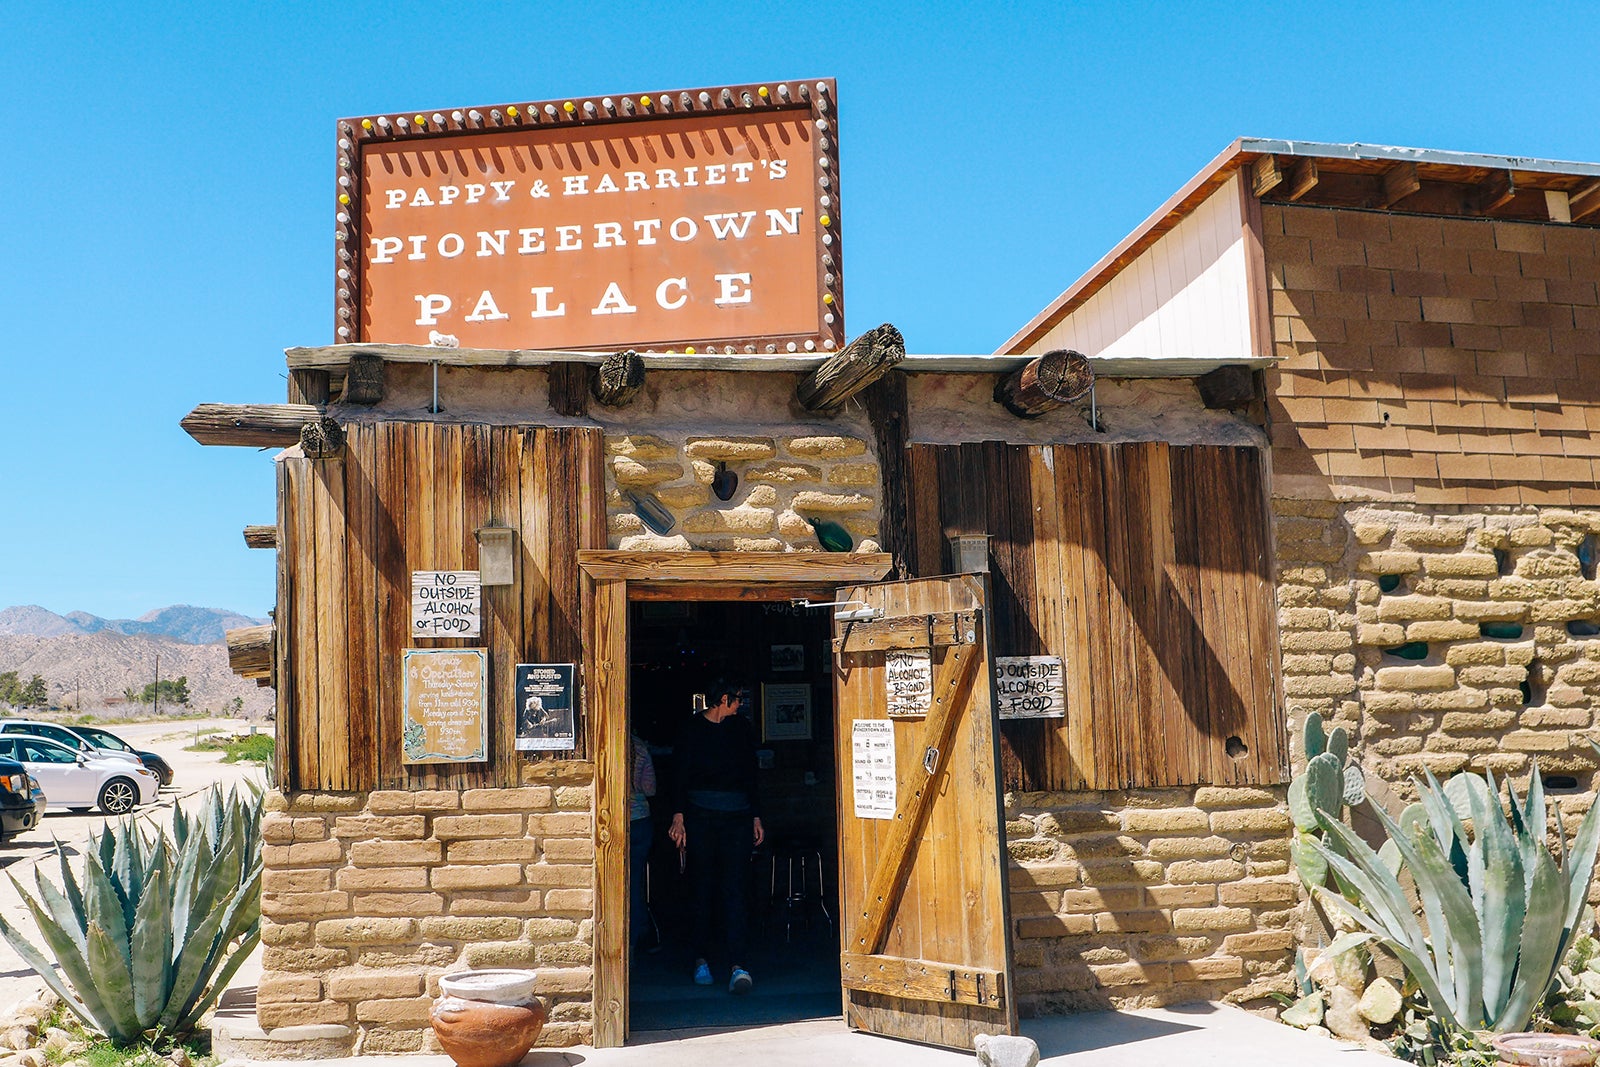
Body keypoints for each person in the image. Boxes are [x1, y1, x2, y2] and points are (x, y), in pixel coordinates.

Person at [668, 679, 764, 995]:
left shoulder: (742, 729)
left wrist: (755, 816)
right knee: (702, 886)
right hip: (700, 815)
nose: (740, 705)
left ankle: (739, 964)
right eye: (737, 699)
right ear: (723, 699)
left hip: (736, 816)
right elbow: (679, 772)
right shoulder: (691, 729)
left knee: (735, 887)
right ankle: (700, 959)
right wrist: (678, 815)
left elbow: (752, 773)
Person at [629, 732, 658, 953]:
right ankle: (639, 936)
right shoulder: (640, 747)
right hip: (639, 820)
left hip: (613, 820)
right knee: (635, 881)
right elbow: (650, 788)